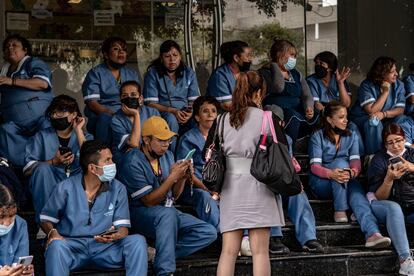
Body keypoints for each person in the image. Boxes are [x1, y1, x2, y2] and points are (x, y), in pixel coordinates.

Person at [117, 116, 217, 276]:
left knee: (208, 232)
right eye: (161, 140)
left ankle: (159, 254)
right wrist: (172, 177)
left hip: (165, 211)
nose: (166, 144)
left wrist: (182, 177)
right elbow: (148, 201)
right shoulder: (132, 161)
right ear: (146, 140)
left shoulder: (168, 156)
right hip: (138, 214)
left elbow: (174, 196)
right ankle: (165, 271)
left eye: (169, 140)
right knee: (167, 214)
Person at [212, 71, 284, 276]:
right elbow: (282, 154)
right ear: (259, 93)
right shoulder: (268, 118)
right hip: (260, 186)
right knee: (260, 252)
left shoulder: (222, 119)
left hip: (230, 188)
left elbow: (209, 152)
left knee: (228, 252)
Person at [39, 140, 148, 276]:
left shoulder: (118, 188)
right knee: (55, 247)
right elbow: (45, 219)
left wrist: (115, 236)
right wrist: (52, 233)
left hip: (105, 249)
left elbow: (123, 229)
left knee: (137, 241)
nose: (113, 164)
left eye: (112, 159)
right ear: (92, 168)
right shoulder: (65, 187)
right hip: (73, 247)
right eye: (107, 160)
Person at [264, 105, 323, 254]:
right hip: (263, 184)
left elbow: (288, 166)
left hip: (282, 181)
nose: (271, 124)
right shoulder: (259, 139)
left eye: (274, 121)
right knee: (270, 191)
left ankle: (308, 238)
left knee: (298, 193)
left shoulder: (287, 139)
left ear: (282, 124)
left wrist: (294, 182)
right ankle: (273, 237)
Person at [23, 95, 92, 221]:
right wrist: (53, 162)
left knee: (89, 168)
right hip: (49, 182)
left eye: (60, 112)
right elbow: (27, 170)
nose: (55, 116)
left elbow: (91, 162)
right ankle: (46, 222)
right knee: (42, 169)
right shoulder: (41, 136)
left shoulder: (85, 137)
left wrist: (78, 131)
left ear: (73, 115)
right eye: (53, 113)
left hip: (75, 181)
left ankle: (80, 220)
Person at [367, 123, 414, 275]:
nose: (395, 145)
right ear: (385, 143)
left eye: (399, 140)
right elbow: (379, 197)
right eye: (390, 142)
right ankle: (405, 261)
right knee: (394, 207)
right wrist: (388, 179)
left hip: (411, 204)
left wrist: (411, 167)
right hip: (388, 206)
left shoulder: (412, 154)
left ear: (404, 139)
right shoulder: (379, 160)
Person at [0, 34, 53, 167]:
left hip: (38, 117)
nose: (10, 48)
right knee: (5, 130)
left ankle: (47, 165)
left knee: (46, 132)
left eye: (14, 45)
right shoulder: (3, 70)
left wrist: (12, 81)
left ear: (25, 50)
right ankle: (25, 167)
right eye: (7, 47)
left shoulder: (33, 63)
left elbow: (42, 83)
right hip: (13, 121)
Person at [143, 40, 200, 151]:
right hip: (163, 113)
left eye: (175, 55)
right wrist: (172, 111)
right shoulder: (153, 73)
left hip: (184, 113)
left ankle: (193, 157)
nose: (172, 59)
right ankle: (170, 156)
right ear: (161, 58)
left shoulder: (189, 73)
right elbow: (150, 104)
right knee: (171, 119)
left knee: (198, 118)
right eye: (167, 56)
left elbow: (194, 101)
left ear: (180, 56)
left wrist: (191, 113)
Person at [259, 39, 317, 146]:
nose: (293, 59)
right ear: (279, 54)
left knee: (319, 114)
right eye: (291, 55)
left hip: (298, 108)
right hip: (279, 111)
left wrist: (309, 107)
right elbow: (278, 87)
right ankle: (287, 151)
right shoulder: (265, 72)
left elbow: (306, 95)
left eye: (295, 56)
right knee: (293, 117)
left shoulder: (296, 73)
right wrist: (275, 66)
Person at [82, 36, 140, 143]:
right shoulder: (96, 73)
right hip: (104, 115)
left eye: (123, 49)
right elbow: (92, 103)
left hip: (129, 112)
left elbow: (139, 98)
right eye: (116, 49)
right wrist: (115, 114)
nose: (121, 52)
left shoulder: (132, 74)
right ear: (106, 54)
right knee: (105, 118)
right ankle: (102, 154)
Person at [307, 51, 365, 155]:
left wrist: (340, 83)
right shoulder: (312, 80)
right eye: (316, 63)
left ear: (330, 67)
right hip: (323, 118)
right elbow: (317, 105)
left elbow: (346, 103)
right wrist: (333, 116)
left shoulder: (337, 79)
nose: (318, 66)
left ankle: (360, 158)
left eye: (321, 64)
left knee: (353, 128)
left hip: (341, 117)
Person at [176, 96, 220, 230]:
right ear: (196, 117)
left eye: (213, 111)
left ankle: (245, 236)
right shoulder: (188, 139)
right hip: (194, 188)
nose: (210, 114)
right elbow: (186, 172)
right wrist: (208, 189)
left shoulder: (222, 137)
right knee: (205, 196)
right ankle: (221, 236)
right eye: (205, 111)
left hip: (217, 186)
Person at [350, 56, 408, 155]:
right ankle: (374, 157)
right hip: (363, 118)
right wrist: (385, 92)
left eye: (396, 70)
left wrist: (384, 114)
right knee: (374, 122)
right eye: (392, 71)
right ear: (382, 73)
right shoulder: (367, 85)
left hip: (385, 118)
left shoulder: (399, 85)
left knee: (402, 118)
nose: (396, 74)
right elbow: (371, 111)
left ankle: (400, 154)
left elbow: (400, 109)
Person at [111, 80, 159, 163]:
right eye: (124, 96)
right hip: (128, 159)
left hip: (152, 152)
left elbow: (159, 138)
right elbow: (134, 144)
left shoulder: (152, 112)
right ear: (120, 100)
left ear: (140, 98)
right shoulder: (116, 119)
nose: (129, 98)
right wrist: (136, 114)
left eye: (133, 95)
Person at [206, 40, 253, 111]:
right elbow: (227, 105)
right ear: (236, 58)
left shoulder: (245, 73)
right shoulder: (220, 76)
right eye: (247, 55)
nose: (250, 59)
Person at [0, 184, 34, 276]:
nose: (7, 223)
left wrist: (24, 271)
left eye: (11, 216)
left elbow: (19, 263)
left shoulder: (20, 225)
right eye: (1, 217)